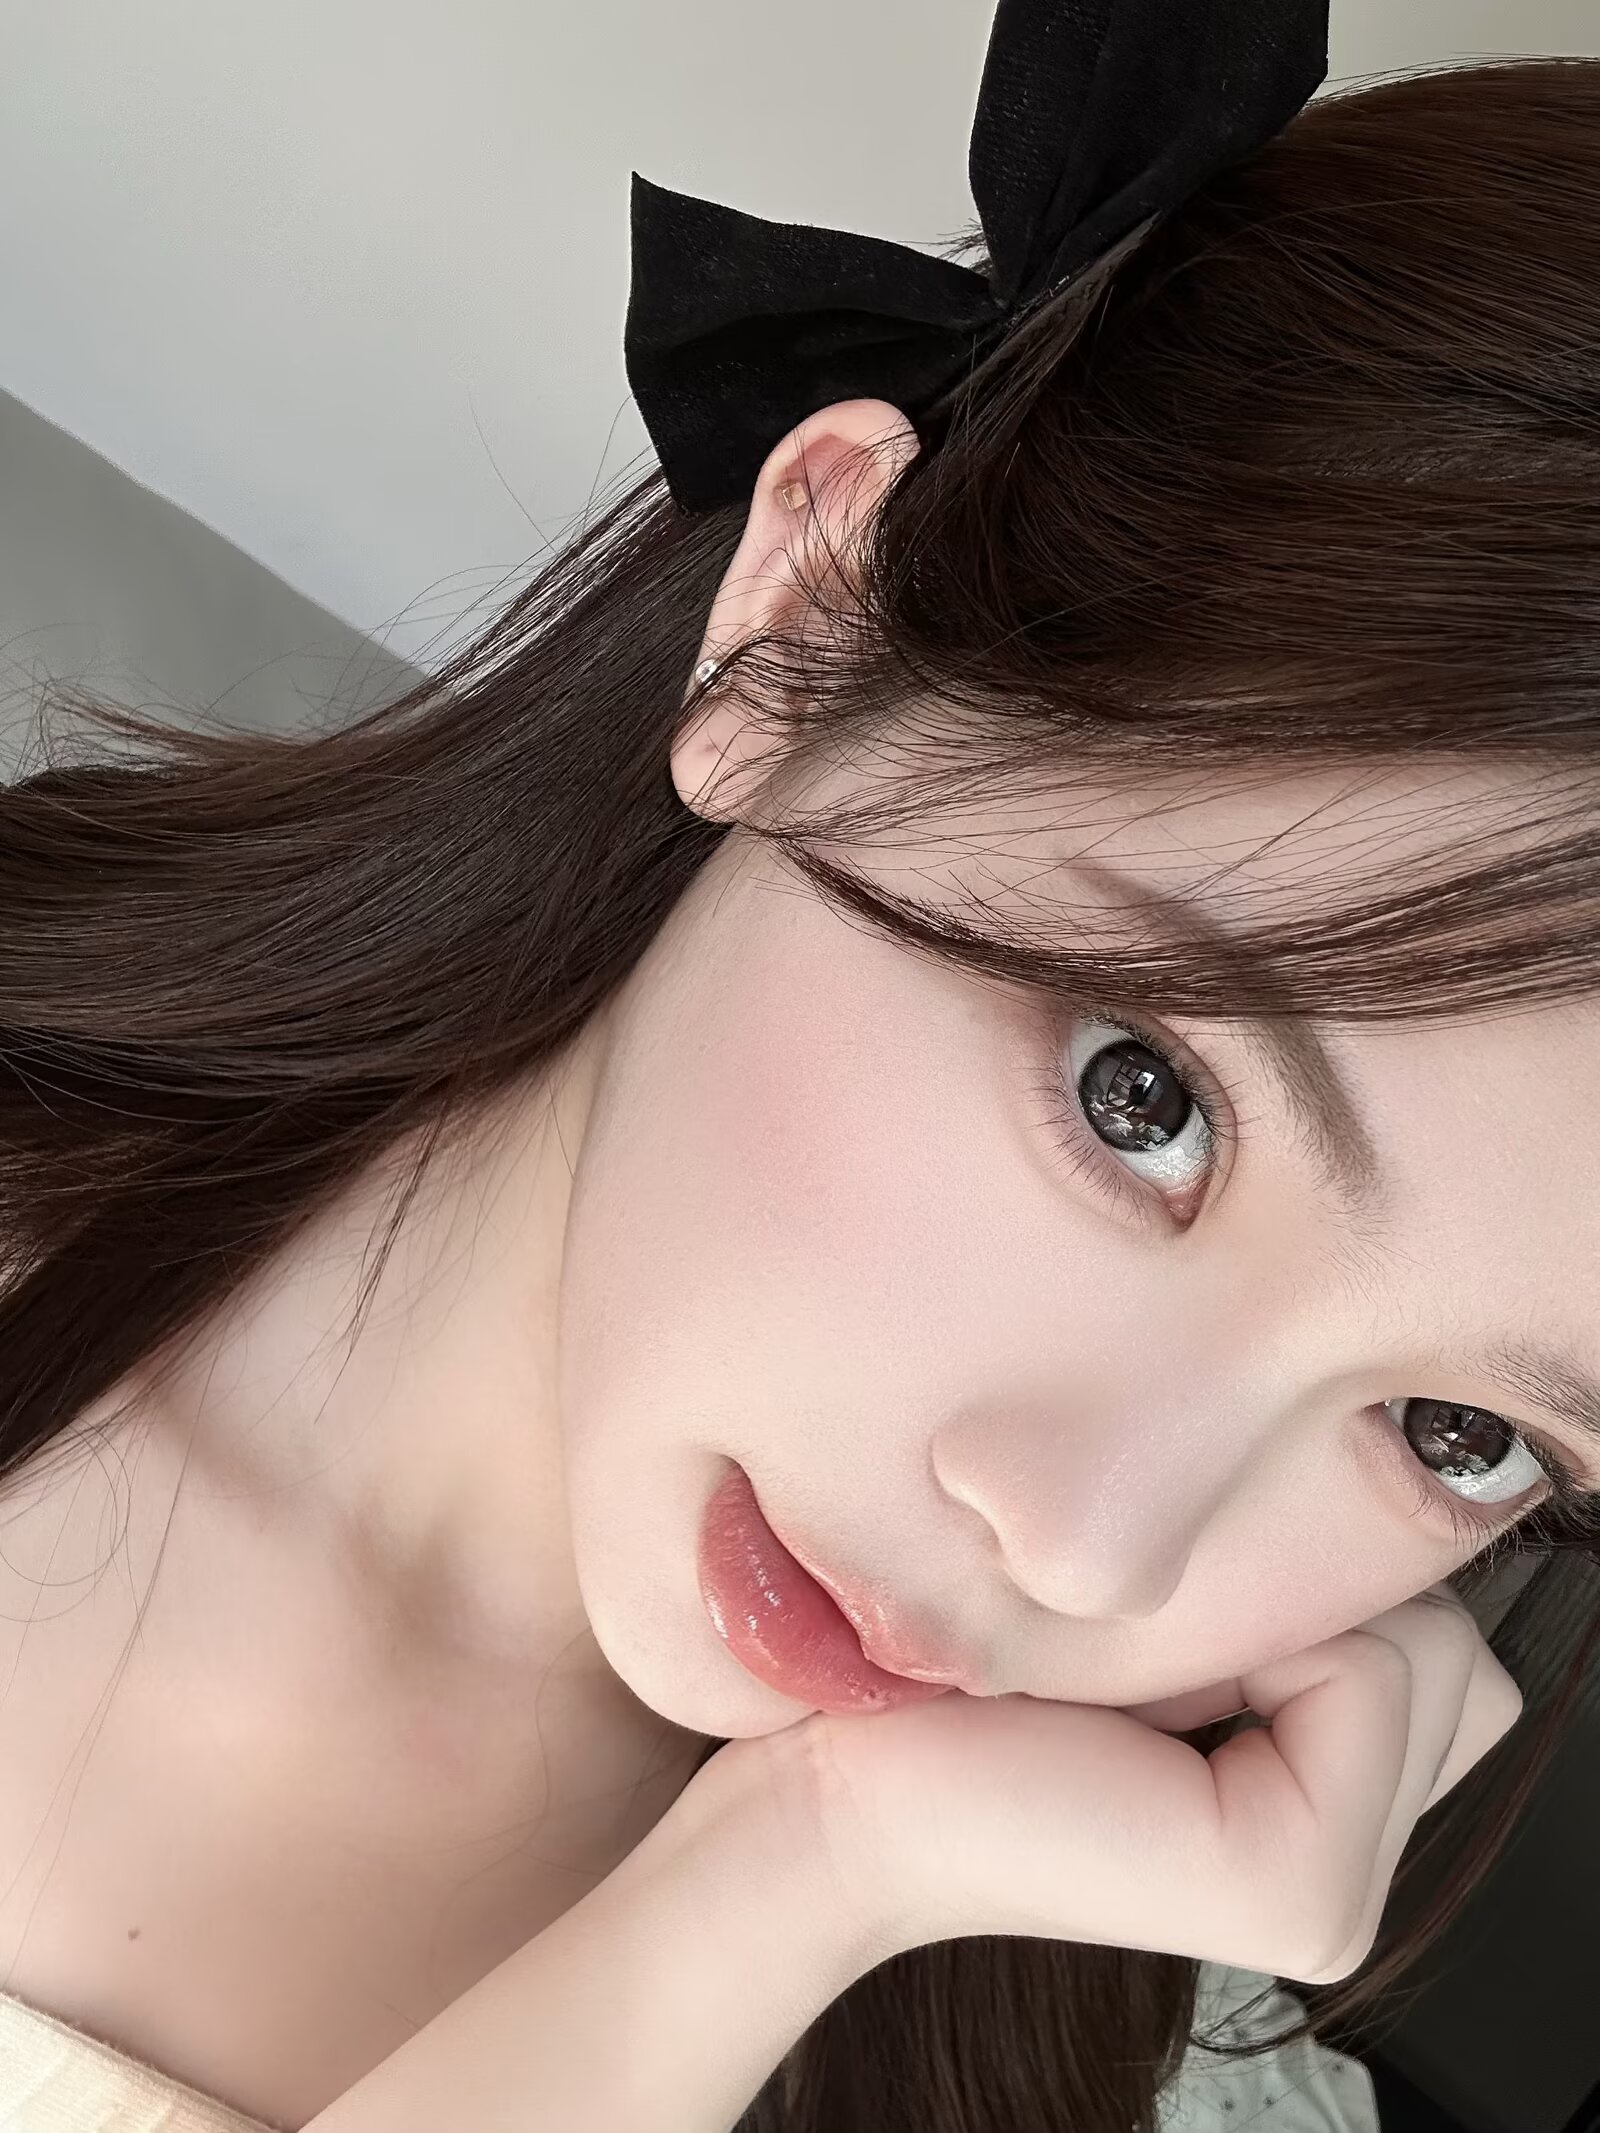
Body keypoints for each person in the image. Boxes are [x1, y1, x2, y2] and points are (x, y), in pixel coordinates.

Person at [2, 7, 1598, 2130]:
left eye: (1459, 1434)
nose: (1086, 1552)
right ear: (807, 617)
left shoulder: (1051, 1997)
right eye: (1142, 1102)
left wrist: (807, 1880)